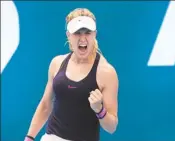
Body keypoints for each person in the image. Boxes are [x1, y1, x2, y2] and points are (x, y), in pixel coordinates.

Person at [24, 8, 119, 141]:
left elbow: (112, 127)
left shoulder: (106, 72)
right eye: (77, 33)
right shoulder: (57, 63)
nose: (83, 38)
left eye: (87, 32)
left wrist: (99, 110)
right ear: (68, 35)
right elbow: (46, 105)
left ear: (95, 34)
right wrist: (29, 137)